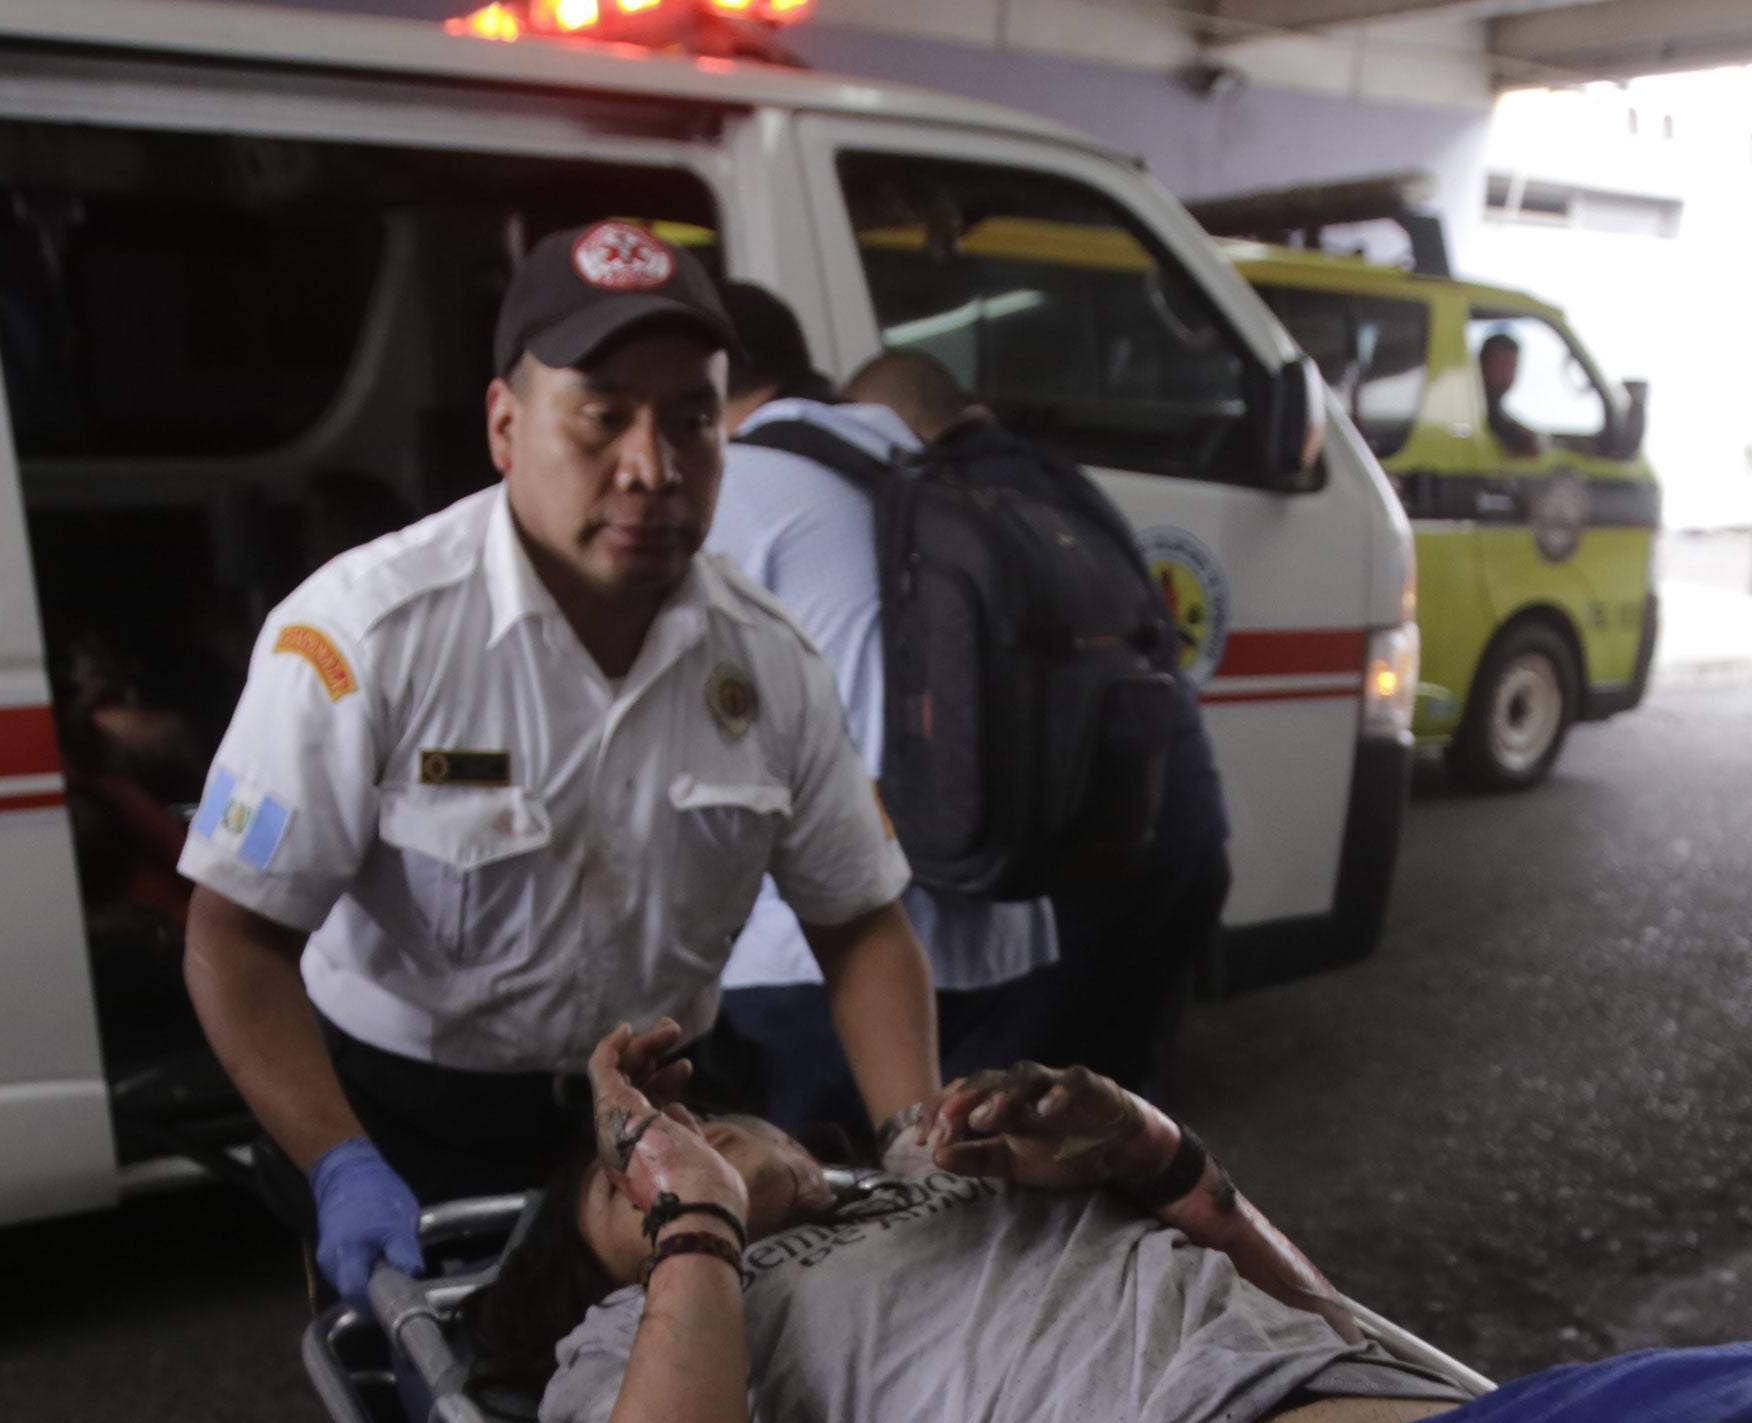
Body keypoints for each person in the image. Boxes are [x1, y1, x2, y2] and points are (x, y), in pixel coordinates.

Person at [177, 223, 939, 1311]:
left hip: (665, 1128)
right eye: (601, 416)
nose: (652, 465)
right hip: (415, 1135)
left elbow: (861, 923)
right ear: (503, 424)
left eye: (690, 420)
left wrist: (919, 1151)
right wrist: (339, 1164)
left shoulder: (768, 660)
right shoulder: (362, 638)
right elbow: (235, 936)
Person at [461, 1023, 1752, 1423]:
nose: (684, 1153)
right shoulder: (637, 1338)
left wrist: (1161, 1158)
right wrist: (695, 1231)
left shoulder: (969, 1177)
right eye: (621, 1182)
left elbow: (1327, 1326)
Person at [702, 285, 1059, 1143]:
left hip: (811, 961)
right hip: (1005, 937)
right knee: (970, 1233)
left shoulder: (736, 485)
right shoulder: (924, 463)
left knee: (812, 1252)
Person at [844, 348, 1232, 1095]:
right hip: (1181, 834)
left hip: (1088, 862)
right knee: (1120, 1103)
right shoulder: (1054, 482)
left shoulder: (958, 504)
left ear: (892, 423)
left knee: (1027, 1128)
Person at [1478, 332, 1545, 458]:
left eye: (1512, 366)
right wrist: (1531, 440)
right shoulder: (1477, 406)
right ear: (1483, 365)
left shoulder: (1492, 406)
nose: (1507, 374)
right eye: (1502, 365)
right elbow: (1516, 438)